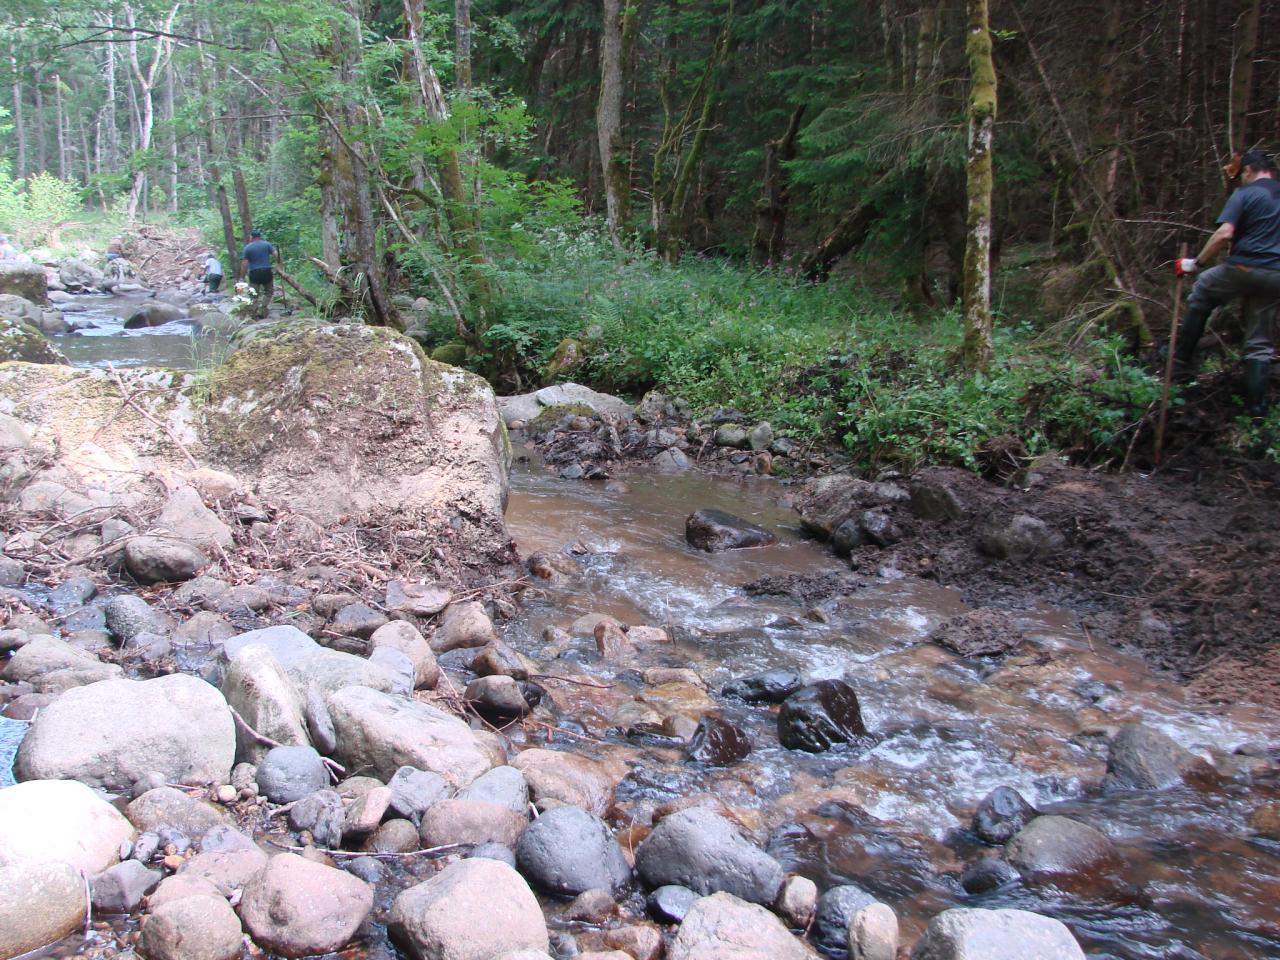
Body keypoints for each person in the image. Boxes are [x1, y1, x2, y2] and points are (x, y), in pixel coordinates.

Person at [1174, 149, 1280, 416]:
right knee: (1259, 342)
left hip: (1244, 267)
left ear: (1248, 171)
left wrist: (1195, 263)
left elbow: (1224, 234)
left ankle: (1179, 362)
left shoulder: (1244, 194)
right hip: (1276, 276)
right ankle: (1256, 411)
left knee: (1202, 289)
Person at [238, 229, 278, 319]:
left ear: (251, 237)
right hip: (266, 271)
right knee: (269, 292)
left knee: (253, 294)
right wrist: (279, 265)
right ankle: (262, 308)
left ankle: (253, 313)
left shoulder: (247, 248)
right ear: (260, 236)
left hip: (254, 273)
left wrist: (242, 277)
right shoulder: (267, 244)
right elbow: (276, 254)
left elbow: (244, 264)